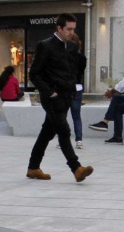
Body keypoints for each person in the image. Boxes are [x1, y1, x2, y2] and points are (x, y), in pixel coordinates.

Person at [26, 13, 93, 183]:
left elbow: (74, 71)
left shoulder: (71, 47)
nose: (72, 32)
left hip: (66, 96)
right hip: (52, 97)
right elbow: (34, 73)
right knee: (63, 130)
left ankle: (33, 167)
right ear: (59, 28)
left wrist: (72, 90)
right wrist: (48, 91)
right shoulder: (45, 46)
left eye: (73, 29)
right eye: (68, 29)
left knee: (47, 133)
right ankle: (76, 168)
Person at [68, 32, 87, 150]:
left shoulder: (65, 55)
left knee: (62, 115)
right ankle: (79, 140)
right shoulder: (82, 57)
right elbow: (82, 70)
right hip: (78, 86)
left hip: (66, 87)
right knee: (76, 116)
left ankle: (62, 140)